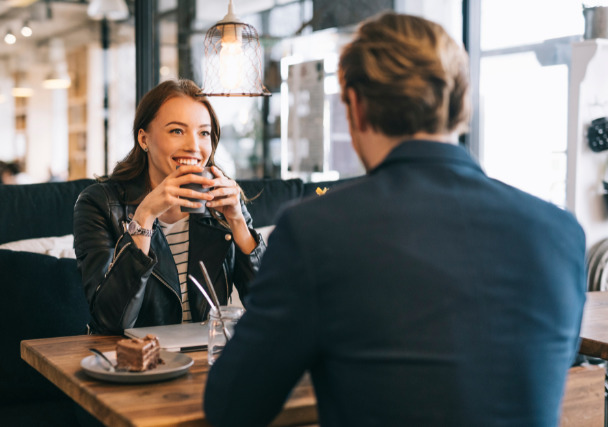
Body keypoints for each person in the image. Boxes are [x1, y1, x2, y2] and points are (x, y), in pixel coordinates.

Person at [203, 12, 586, 427]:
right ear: (459, 103)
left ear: (356, 105)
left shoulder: (316, 231)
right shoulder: (560, 232)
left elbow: (232, 405)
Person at [73, 79, 266, 335]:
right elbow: (111, 322)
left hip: (206, 356)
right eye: (177, 131)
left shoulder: (222, 200)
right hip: (135, 363)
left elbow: (269, 304)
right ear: (144, 138)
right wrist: (144, 217)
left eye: (204, 133)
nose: (194, 146)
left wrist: (238, 221)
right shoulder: (99, 203)